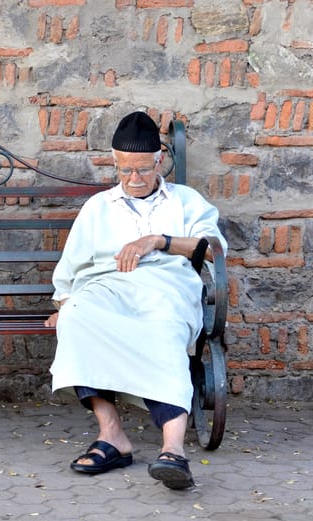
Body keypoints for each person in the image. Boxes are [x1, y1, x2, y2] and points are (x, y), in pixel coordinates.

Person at [44, 111, 226, 489]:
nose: (134, 179)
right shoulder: (98, 207)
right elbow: (69, 272)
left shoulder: (185, 201)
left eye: (143, 169)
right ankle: (112, 436)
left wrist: (158, 241)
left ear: (159, 161)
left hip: (167, 291)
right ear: (115, 162)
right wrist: (65, 307)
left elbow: (214, 250)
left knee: (164, 330)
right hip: (108, 289)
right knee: (76, 317)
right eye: (125, 170)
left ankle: (173, 450)